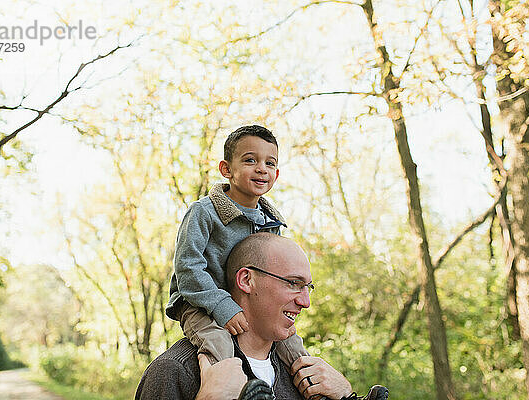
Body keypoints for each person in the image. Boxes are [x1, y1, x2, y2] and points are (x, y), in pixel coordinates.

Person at [135, 233, 389, 400]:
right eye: (292, 283)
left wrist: (345, 395)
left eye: (307, 287)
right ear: (247, 280)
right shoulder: (176, 371)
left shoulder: (307, 376)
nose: (305, 302)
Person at [165, 125, 309, 370]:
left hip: (247, 304)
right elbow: (187, 270)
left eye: (270, 163)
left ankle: (325, 392)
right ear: (226, 169)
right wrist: (223, 306)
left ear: (276, 174)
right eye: (250, 160)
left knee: (292, 342)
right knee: (219, 343)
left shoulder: (270, 222)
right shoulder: (204, 212)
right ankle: (228, 388)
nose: (262, 168)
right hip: (199, 302)